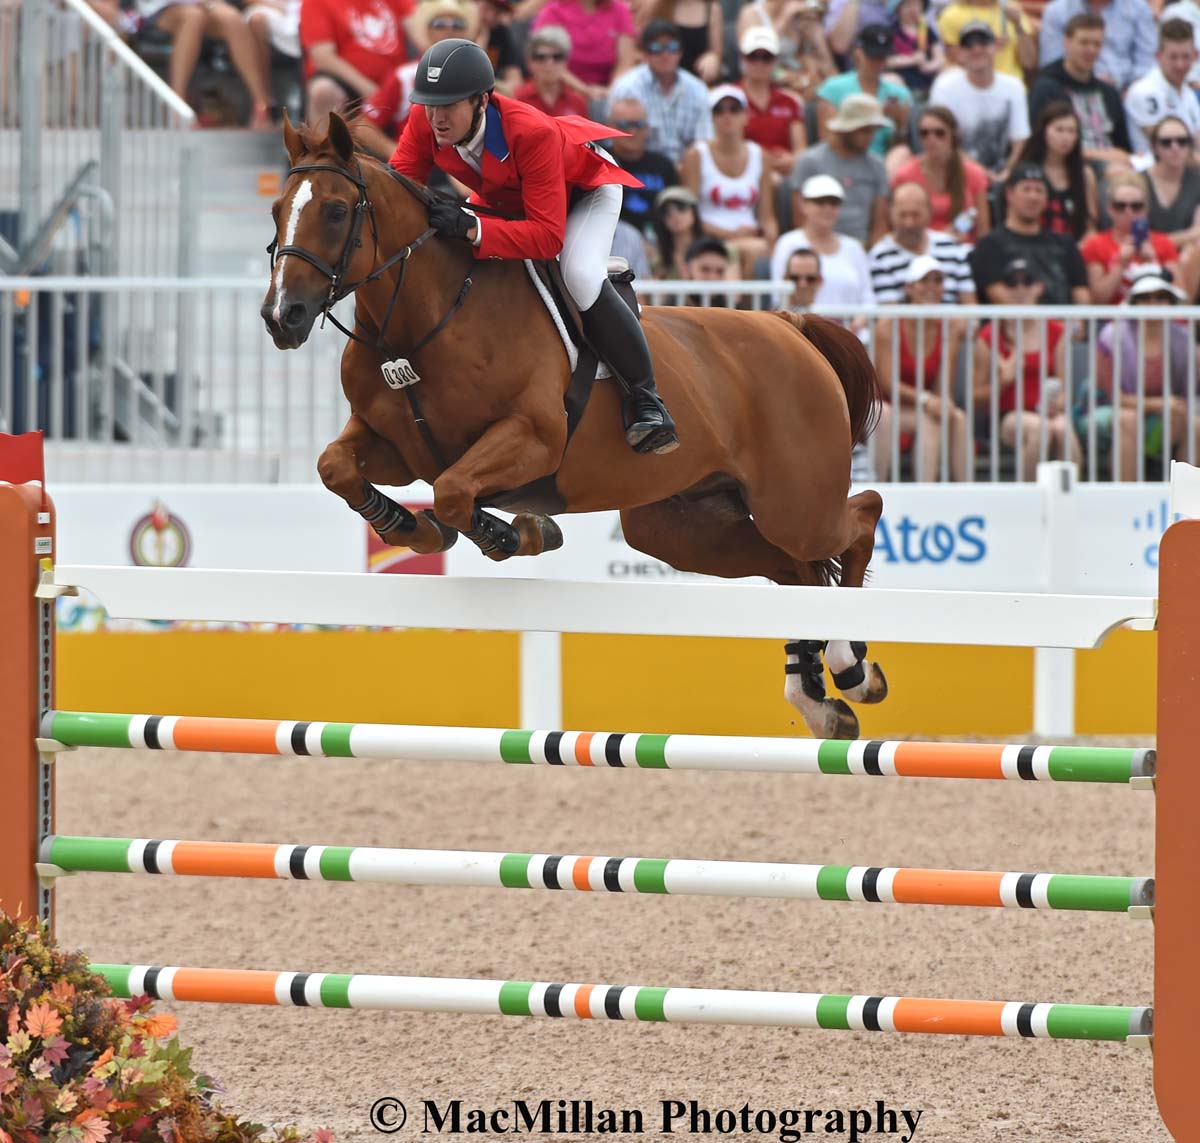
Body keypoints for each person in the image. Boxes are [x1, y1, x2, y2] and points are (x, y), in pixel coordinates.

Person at [390, 39, 678, 452]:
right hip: (509, 195)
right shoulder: (426, 119)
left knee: (578, 275)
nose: (436, 117)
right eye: (430, 105)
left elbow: (545, 237)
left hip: (584, 192)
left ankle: (648, 400)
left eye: (448, 105)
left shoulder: (530, 132)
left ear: (482, 101)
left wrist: (473, 229)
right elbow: (399, 188)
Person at [973, 260, 1081, 480]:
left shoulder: (1056, 331)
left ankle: (1071, 499)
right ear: (1004, 289)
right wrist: (1003, 380)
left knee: (1063, 429)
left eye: (1027, 282)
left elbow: (1064, 387)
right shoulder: (989, 334)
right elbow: (975, 398)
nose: (1020, 289)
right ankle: (1030, 501)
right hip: (1006, 416)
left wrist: (1057, 403)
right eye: (1013, 283)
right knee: (1040, 430)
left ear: (1038, 287)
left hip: (1047, 412)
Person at [1089, 268, 1199, 479]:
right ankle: (1126, 501)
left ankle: (1189, 507)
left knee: (1194, 425)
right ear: (1133, 303)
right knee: (1128, 419)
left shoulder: (1183, 339)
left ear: (1171, 303)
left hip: (1161, 416)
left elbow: (1186, 395)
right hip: (1107, 409)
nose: (1153, 304)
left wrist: (1170, 408)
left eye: (1161, 297)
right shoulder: (1111, 337)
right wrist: (1159, 404)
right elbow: (1113, 397)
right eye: (1145, 297)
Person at [872, 254, 970, 482]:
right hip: (886, 406)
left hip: (919, 407)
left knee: (958, 417)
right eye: (925, 281)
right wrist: (927, 400)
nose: (932, 287)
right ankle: (881, 486)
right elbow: (887, 383)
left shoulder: (948, 327)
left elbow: (943, 384)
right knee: (925, 418)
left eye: (937, 281)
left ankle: (966, 491)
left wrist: (941, 402)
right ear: (910, 287)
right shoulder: (888, 324)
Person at [681, 85, 778, 277]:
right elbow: (690, 214)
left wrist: (772, 241)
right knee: (753, 251)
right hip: (708, 238)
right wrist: (731, 235)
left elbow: (767, 216)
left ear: (745, 116)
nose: (727, 115)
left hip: (750, 236)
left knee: (764, 251)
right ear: (711, 117)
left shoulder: (761, 156)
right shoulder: (697, 154)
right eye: (719, 110)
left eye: (734, 109)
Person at [969, 162, 1090, 304]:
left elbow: (1082, 294)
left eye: (1039, 190)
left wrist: (1075, 325)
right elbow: (998, 296)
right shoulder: (990, 244)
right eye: (1026, 189)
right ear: (1010, 194)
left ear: (1046, 199)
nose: (1033, 196)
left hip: (1064, 324)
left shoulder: (1065, 244)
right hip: (1015, 324)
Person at [139, 0, 275, 124]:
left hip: (204, 3)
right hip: (160, 7)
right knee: (194, 17)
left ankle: (261, 107)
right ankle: (177, 107)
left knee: (232, 19)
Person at [360, 0, 474, 145]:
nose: (449, 29)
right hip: (415, 162)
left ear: (466, 32)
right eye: (439, 24)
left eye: (458, 24)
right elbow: (364, 126)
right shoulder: (404, 76)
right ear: (427, 31)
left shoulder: (479, 77)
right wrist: (395, 153)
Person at [1027, 12, 1131, 168]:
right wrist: (1103, 155)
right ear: (1066, 42)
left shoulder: (1109, 92)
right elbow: (1039, 144)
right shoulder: (1046, 87)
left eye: (1097, 44)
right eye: (1084, 43)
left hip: (1113, 166)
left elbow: (1122, 146)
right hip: (1070, 166)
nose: (1091, 50)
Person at [927, 22, 1028, 179]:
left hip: (1005, 175)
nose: (977, 49)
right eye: (969, 45)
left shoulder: (1014, 86)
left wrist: (1008, 173)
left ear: (996, 48)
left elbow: (1020, 140)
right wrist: (982, 175)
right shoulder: (945, 86)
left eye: (983, 42)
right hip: (957, 174)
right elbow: (943, 140)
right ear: (959, 53)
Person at [791, 93, 890, 247]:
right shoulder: (809, 162)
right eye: (864, 130)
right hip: (819, 246)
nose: (870, 137)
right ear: (847, 129)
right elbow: (800, 217)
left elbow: (880, 223)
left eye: (873, 130)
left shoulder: (877, 165)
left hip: (861, 247)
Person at [607, 20, 712, 164]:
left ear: (680, 52)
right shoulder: (627, 87)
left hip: (687, 171)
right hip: (641, 169)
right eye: (656, 48)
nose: (665, 54)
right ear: (644, 53)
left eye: (672, 47)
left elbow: (704, 144)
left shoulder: (698, 89)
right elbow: (618, 142)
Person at [771, 174, 875, 307]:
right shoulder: (787, 243)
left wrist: (861, 319)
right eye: (820, 202)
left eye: (834, 203)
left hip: (850, 327)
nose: (827, 208)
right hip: (804, 326)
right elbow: (779, 294)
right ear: (804, 204)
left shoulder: (854, 247)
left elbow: (867, 296)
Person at [301, 0, 413, 123]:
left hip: (396, 79)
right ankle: (324, 142)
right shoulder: (316, 2)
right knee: (323, 91)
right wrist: (371, 91)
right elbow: (323, 58)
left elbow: (419, 28)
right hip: (348, 83)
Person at [890, 106, 991, 242]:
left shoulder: (974, 174)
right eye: (924, 133)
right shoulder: (905, 176)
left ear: (953, 134)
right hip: (920, 251)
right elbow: (897, 225)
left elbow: (983, 230)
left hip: (963, 251)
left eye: (939, 133)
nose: (931, 139)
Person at [1079, 172, 1181, 305]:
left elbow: (1182, 298)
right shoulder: (1095, 245)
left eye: (1136, 206)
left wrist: (1154, 263)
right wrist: (1120, 265)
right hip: (1113, 322)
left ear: (1146, 209)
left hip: (1157, 322)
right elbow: (1097, 300)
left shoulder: (1163, 243)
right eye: (1120, 206)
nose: (1129, 212)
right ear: (1109, 209)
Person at [815, 24, 912, 159]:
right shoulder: (833, 89)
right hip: (843, 162)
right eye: (874, 57)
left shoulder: (900, 94)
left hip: (884, 166)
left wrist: (899, 124)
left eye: (883, 57)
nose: (879, 63)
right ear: (858, 53)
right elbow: (827, 143)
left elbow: (900, 152)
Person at [869, 182, 976, 302]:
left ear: (930, 212)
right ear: (890, 213)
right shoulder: (880, 256)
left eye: (916, 215)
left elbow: (970, 307)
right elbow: (889, 314)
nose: (909, 223)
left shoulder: (952, 248)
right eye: (902, 215)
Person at [1013, 101, 1097, 241]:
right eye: (1059, 130)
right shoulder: (1025, 172)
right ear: (1044, 131)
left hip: (1074, 249)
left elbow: (1091, 226)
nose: (1065, 137)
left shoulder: (1085, 175)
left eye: (1071, 131)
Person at [1037, 0, 1156, 90]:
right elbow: (1051, 66)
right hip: (1071, 89)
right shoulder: (1056, 11)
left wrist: (1128, 90)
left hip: (1128, 92)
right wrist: (1090, 82)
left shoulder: (1139, 8)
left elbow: (1147, 64)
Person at [736, 27, 807, 179]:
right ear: (742, 58)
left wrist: (793, 160)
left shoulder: (789, 101)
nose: (759, 63)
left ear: (775, 61)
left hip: (785, 175)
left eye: (766, 57)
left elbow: (801, 149)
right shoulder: (730, 97)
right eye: (753, 56)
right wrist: (766, 161)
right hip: (744, 173)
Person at [1124, 19, 1200, 157]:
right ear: (1158, 56)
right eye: (1173, 57)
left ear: (1195, 56)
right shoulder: (1143, 91)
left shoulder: (1189, 95)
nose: (1180, 64)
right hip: (1152, 170)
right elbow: (1168, 145)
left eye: (1185, 56)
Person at [608, 98, 679, 236]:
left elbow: (674, 209)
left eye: (639, 125)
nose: (632, 131)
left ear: (647, 129)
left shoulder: (664, 166)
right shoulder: (598, 161)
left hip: (659, 240)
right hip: (611, 238)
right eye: (624, 125)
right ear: (610, 127)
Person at [530, 0, 636, 91]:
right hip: (564, 88)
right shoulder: (554, 10)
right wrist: (583, 90)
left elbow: (625, 61)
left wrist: (611, 91)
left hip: (608, 91)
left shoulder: (620, 10)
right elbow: (547, 59)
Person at [936, 0, 1035, 82]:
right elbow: (954, 59)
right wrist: (988, 47)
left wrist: (1018, 25)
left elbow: (1029, 62)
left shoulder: (1012, 9)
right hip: (971, 88)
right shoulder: (951, 15)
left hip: (1011, 86)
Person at [1146, 116, 1200, 257]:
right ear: (1154, 147)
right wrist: (1187, 236)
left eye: (1182, 141)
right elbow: (1140, 241)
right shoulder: (1139, 183)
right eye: (1166, 143)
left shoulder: (1197, 181)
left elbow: (1198, 233)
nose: (1175, 147)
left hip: (1187, 257)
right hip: (1147, 257)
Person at [514, 25, 590, 117]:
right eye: (541, 57)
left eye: (557, 57)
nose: (549, 63)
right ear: (529, 63)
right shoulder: (518, 99)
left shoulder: (577, 102)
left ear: (566, 62)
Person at [640, 0, 723, 81]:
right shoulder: (658, 5)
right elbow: (642, 44)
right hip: (662, 79)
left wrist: (712, 58)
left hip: (698, 81)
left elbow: (717, 53)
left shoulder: (712, 9)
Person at [886, 0, 943, 98]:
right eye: (907, 5)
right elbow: (887, 61)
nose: (912, 9)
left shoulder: (926, 30)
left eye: (916, 4)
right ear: (898, 9)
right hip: (903, 83)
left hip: (927, 83)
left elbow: (939, 57)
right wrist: (912, 60)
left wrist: (929, 66)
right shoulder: (892, 31)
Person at [244, 0, 301, 97]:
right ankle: (262, 96)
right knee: (256, 21)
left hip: (300, 7)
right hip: (266, 6)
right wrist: (273, 5)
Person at [651, 185, 704, 278]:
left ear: (694, 211)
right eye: (665, 211)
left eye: (681, 207)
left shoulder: (715, 251)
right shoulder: (658, 261)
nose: (675, 214)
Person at [682, 235, 735, 306]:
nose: (712, 277)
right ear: (686, 271)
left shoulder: (733, 311)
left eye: (720, 271)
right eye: (705, 269)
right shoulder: (667, 309)